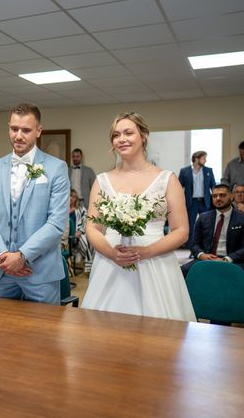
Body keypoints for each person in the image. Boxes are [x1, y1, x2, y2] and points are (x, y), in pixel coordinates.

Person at [81, 112, 195, 321]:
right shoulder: (102, 181)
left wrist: (146, 251)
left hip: (155, 263)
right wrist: (111, 253)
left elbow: (181, 231)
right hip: (111, 263)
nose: (121, 139)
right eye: (116, 135)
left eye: (128, 133)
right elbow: (92, 228)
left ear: (144, 136)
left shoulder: (167, 179)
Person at [0, 103, 69, 305]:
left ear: (38, 131)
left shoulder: (56, 168)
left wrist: (22, 256)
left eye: (26, 130)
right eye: (14, 129)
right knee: (0, 332)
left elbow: (56, 223)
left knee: (43, 333)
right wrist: (3, 255)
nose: (18, 136)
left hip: (41, 272)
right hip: (1, 271)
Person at [180, 184, 244, 282]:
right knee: (183, 271)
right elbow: (194, 244)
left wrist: (226, 259)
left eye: (222, 195)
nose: (218, 198)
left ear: (231, 197)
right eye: (214, 196)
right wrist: (202, 255)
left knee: (235, 275)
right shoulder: (203, 218)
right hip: (207, 258)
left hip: (234, 261)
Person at [178, 150, 216, 249]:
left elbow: (214, 187)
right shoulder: (184, 171)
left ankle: (206, 248)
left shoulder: (209, 171)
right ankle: (192, 249)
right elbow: (178, 187)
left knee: (206, 225)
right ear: (196, 159)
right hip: (191, 203)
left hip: (205, 202)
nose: (205, 160)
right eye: (204, 158)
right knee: (190, 226)